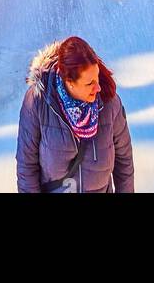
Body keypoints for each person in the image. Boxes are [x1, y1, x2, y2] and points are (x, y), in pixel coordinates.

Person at [16, 36, 135, 194]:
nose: (98, 87)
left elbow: (124, 161)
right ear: (69, 82)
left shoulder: (109, 103)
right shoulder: (38, 103)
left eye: (97, 78)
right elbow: (27, 166)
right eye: (89, 83)